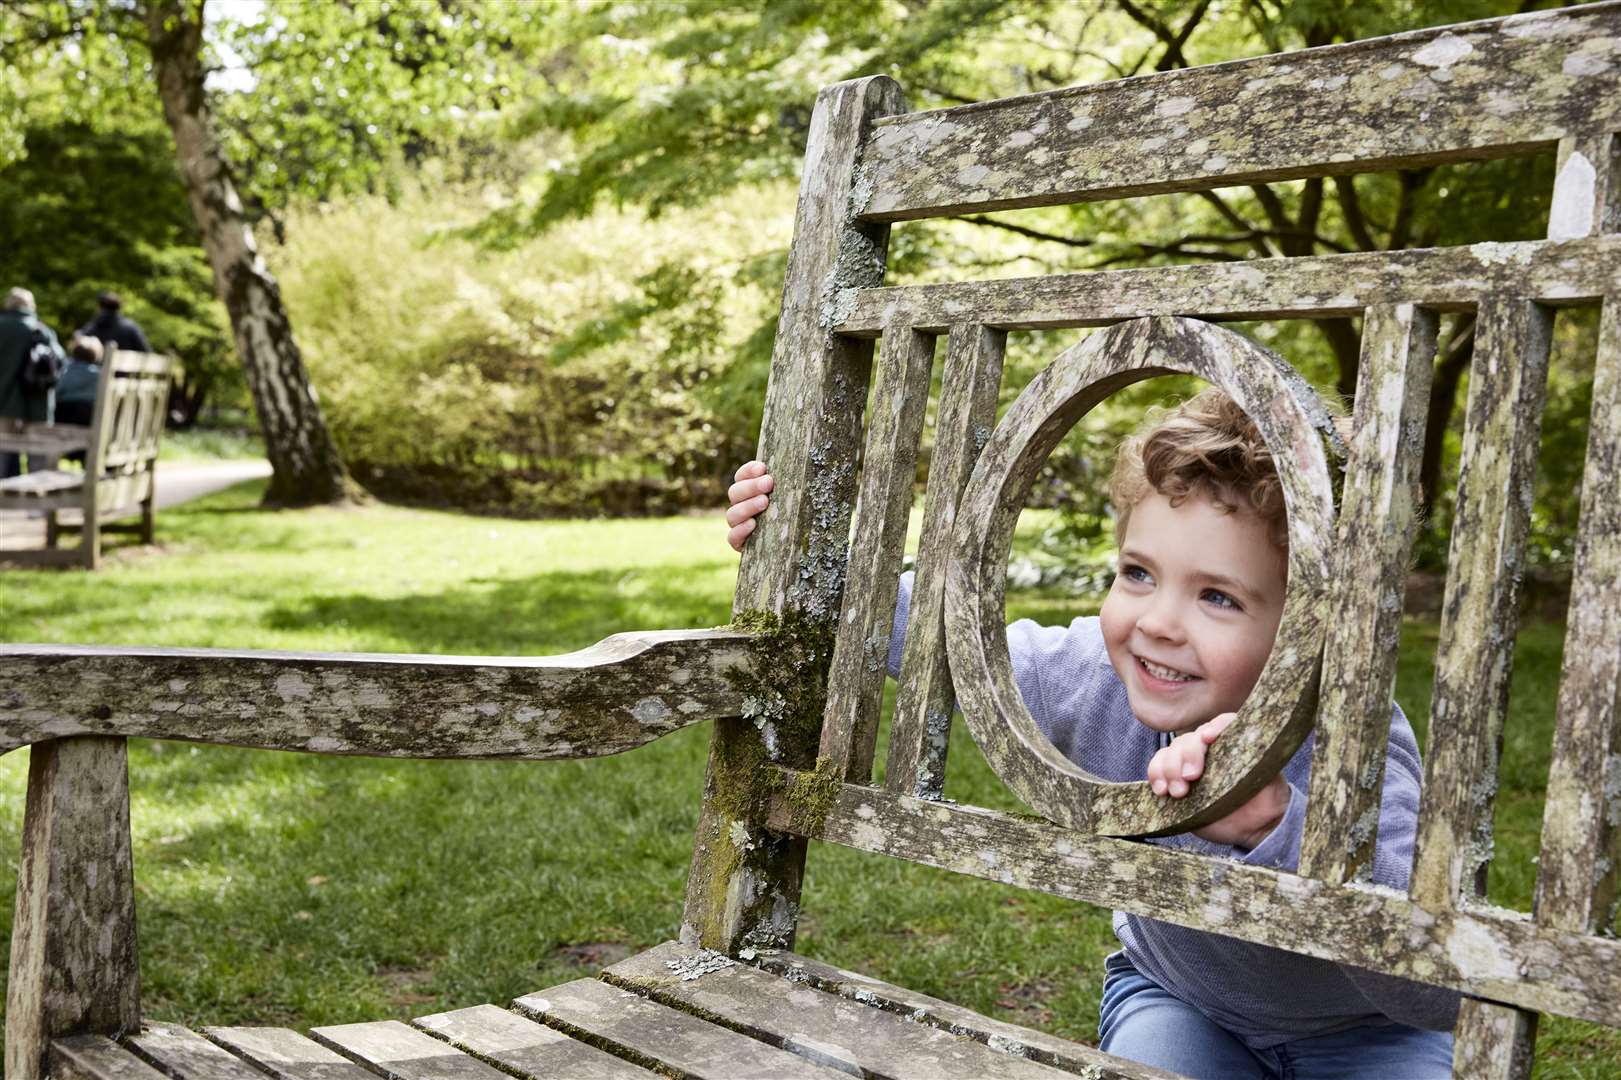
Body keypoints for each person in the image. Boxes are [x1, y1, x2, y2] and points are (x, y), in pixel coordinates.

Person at [724, 389, 1458, 1079]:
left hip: (1366, 1033)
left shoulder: (1357, 747)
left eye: (1217, 596)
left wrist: (1277, 826)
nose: (1158, 624)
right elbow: (942, 638)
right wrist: (805, 545)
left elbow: (1437, 993)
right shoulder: (1092, 676)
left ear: (1319, 625)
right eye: (1138, 574)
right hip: (1181, 999)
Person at [0, 286, 65, 479]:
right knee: (38, 458)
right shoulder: (42, 330)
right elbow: (60, 362)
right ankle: (38, 504)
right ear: (31, 306)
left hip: (2, 406)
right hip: (37, 405)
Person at [78, 291, 151, 354]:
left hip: (96, 369)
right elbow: (146, 351)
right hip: (125, 370)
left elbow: (79, 342)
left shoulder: (95, 326)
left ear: (99, 307)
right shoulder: (131, 327)